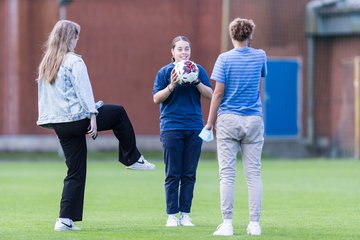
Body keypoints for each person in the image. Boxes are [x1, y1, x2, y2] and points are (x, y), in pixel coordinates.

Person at [36, 20, 155, 231]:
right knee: (118, 112)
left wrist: (51, 122)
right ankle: (131, 158)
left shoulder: (47, 62)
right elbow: (84, 90)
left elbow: (46, 98)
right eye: (76, 36)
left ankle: (64, 220)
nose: (77, 40)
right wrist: (92, 115)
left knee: (75, 171)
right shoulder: (74, 61)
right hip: (77, 119)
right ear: (68, 38)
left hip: (60, 124)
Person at [204, 18, 267, 236]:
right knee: (253, 174)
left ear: (231, 35)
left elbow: (218, 93)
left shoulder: (224, 59)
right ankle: (254, 223)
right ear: (250, 35)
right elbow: (258, 85)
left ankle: (228, 223)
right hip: (254, 119)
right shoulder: (260, 56)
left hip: (228, 119)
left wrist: (210, 123)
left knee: (227, 175)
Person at [152, 36, 213, 227]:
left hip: (194, 126)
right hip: (171, 127)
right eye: (179, 49)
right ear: (172, 51)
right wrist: (172, 85)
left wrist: (196, 82)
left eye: (187, 49)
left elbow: (211, 95)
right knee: (173, 173)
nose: (184, 52)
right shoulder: (164, 72)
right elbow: (156, 98)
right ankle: (171, 215)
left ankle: (185, 214)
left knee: (189, 173)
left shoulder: (198, 70)